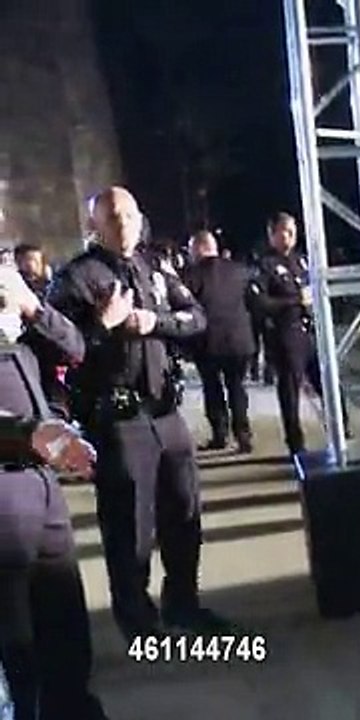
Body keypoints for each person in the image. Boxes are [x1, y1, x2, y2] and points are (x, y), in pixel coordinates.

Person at [48, 186, 234, 640]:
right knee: (130, 527)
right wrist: (102, 324)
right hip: (119, 419)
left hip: (167, 414)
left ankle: (183, 604)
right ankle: (137, 620)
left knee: (184, 513)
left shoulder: (153, 267)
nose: (124, 225)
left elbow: (196, 317)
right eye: (112, 218)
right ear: (95, 224)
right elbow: (59, 347)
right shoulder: (77, 278)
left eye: (129, 216)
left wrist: (157, 323)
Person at [0, 269, 109, 719]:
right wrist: (32, 434)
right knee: (17, 648)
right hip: (5, 495)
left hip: (42, 487)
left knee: (65, 630)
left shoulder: (14, 303)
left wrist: (32, 306)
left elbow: (73, 350)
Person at [250, 212, 344, 455]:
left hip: (310, 331)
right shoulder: (264, 265)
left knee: (326, 381)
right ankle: (295, 441)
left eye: (293, 231)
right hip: (285, 334)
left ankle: (341, 426)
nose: (289, 237)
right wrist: (293, 301)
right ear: (272, 234)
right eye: (284, 231)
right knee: (290, 390)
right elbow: (260, 302)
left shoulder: (302, 260)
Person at [184, 230, 257, 453]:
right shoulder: (239, 271)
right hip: (239, 340)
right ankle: (243, 435)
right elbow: (253, 305)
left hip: (208, 343)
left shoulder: (190, 276)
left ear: (197, 248)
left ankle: (220, 434)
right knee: (237, 387)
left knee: (212, 388)